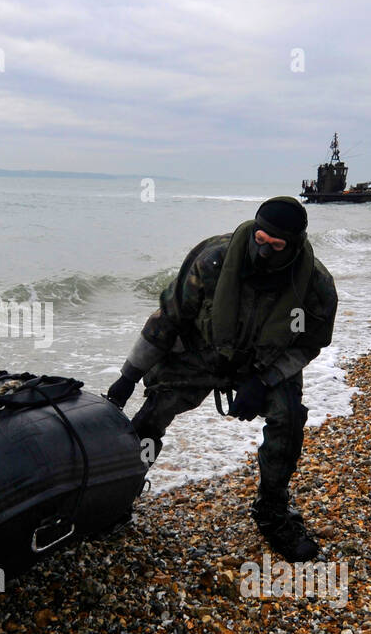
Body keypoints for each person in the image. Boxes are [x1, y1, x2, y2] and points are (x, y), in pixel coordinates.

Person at [106, 197, 338, 561]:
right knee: (152, 415)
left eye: (277, 246)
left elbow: (310, 344)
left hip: (266, 364)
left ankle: (272, 511)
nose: (264, 251)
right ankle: (118, 497)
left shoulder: (315, 285)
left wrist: (263, 381)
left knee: (289, 420)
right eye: (260, 239)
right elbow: (169, 317)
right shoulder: (212, 259)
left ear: (294, 247)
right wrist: (129, 375)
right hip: (203, 353)